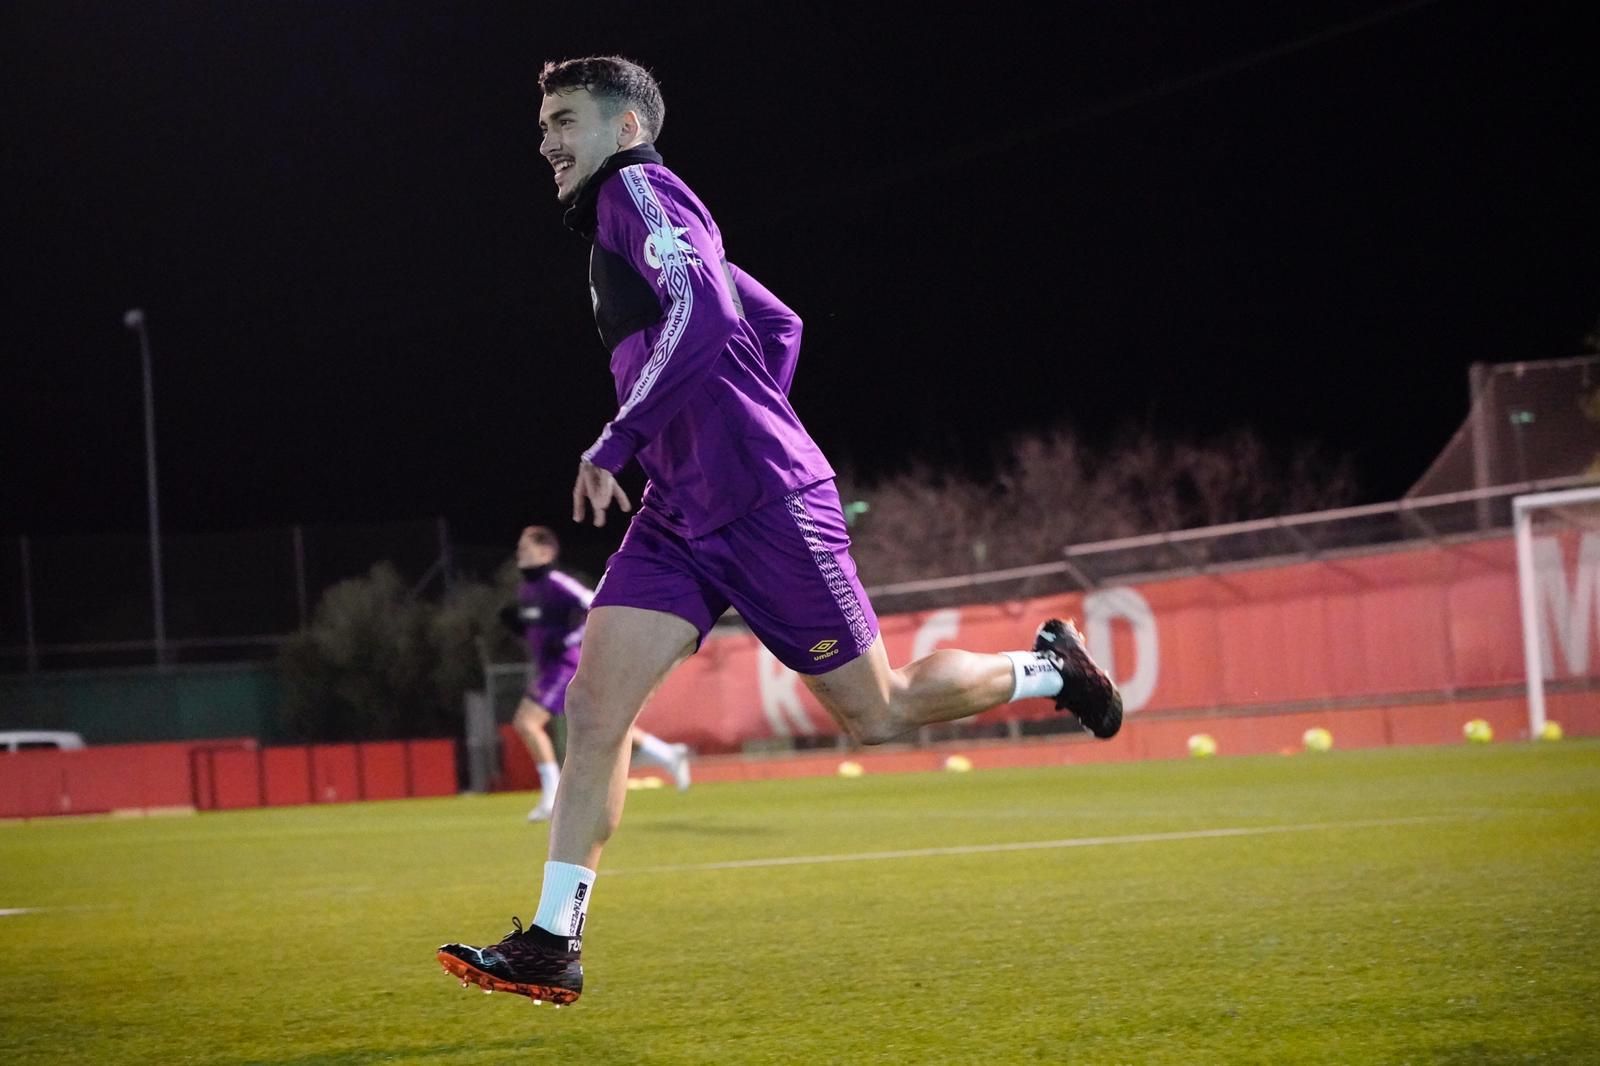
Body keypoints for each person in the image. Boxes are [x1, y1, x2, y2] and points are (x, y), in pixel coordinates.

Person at [437, 55, 1123, 1006]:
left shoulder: (641, 190)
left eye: (565, 120)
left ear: (626, 128)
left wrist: (639, 438)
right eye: (543, 123)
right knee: (595, 712)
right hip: (682, 514)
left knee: (876, 714)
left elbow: (709, 311)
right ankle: (555, 939)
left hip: (765, 510)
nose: (546, 140)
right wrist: (719, 435)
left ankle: (1054, 670)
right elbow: (779, 323)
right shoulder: (614, 226)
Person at [501, 524, 691, 824]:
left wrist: (572, 638)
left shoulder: (557, 581)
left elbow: (593, 603)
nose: (519, 553)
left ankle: (551, 796)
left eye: (526, 548)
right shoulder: (527, 589)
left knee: (526, 722)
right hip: (549, 666)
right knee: (604, 721)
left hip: (566, 664)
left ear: (546, 552)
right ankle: (667, 754)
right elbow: (542, 625)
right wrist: (523, 625)